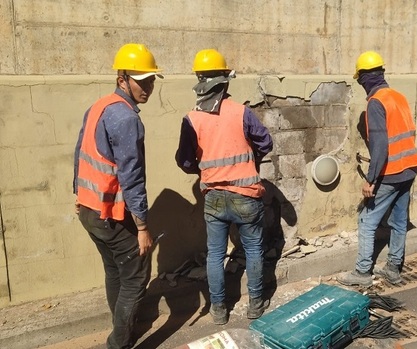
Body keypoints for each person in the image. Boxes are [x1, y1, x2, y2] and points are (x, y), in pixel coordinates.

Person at [73, 43, 163, 349]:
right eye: (142, 80)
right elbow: (132, 178)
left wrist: (77, 194)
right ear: (122, 78)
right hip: (110, 214)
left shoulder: (98, 106)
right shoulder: (127, 119)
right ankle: (119, 342)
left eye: (151, 80)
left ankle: (121, 327)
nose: (148, 87)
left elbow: (79, 153)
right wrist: (141, 228)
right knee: (136, 279)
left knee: (114, 271)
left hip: (89, 210)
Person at [175, 49, 273, 325]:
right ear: (225, 80)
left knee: (216, 254)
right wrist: (250, 161)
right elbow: (266, 143)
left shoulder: (191, 119)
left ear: (199, 80)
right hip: (246, 195)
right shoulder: (242, 112)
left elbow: (184, 161)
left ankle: (218, 310)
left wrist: (205, 169)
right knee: (253, 249)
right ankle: (255, 304)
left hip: (214, 197)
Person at [337, 51, 417, 288]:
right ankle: (393, 269)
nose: (360, 84)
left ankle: (363, 272)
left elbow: (380, 145)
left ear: (365, 77)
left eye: (360, 79)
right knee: (398, 221)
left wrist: (371, 180)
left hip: (390, 172)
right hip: (409, 168)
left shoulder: (375, 103)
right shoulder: (398, 97)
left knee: (366, 220)